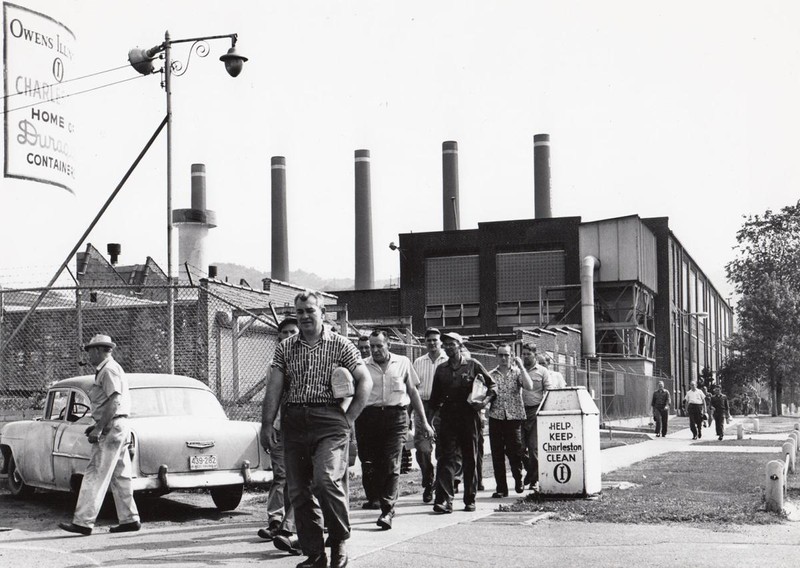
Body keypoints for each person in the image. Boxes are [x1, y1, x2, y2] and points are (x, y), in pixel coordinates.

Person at [261, 291, 373, 568]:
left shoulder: (341, 345)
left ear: (323, 312)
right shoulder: (285, 347)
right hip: (294, 422)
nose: (304, 316)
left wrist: (349, 418)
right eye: (300, 312)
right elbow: (274, 388)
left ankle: (338, 541)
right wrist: (266, 424)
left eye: (310, 311)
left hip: (330, 422)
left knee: (325, 480)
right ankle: (315, 554)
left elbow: (365, 381)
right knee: (298, 491)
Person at [58, 334, 141, 536]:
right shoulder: (110, 369)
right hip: (118, 425)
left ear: (97, 350)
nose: (89, 356)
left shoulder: (108, 370)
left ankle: (83, 522)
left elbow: (114, 402)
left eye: (90, 351)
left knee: (95, 473)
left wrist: (99, 428)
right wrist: (98, 424)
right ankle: (130, 519)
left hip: (112, 425)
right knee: (120, 475)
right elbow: (108, 403)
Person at [357, 330, 434, 530]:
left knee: (392, 462)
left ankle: (387, 509)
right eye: (372, 346)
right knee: (371, 463)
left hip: (396, 417)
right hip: (369, 418)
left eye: (378, 346)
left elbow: (413, 392)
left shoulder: (402, 362)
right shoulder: (362, 366)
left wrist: (423, 422)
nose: (374, 350)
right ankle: (379, 498)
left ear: (388, 345)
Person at [428, 332, 496, 513]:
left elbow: (493, 386)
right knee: (445, 459)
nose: (448, 347)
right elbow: (434, 399)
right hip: (448, 417)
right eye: (446, 345)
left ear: (460, 345)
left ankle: (470, 499)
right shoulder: (441, 369)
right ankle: (445, 501)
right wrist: (429, 423)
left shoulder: (473, 365)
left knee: (470, 459)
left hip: (469, 417)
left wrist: (484, 402)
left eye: (452, 344)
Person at [258, 317, 302, 556]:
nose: (287, 336)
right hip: (279, 427)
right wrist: (267, 426)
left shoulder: (307, 358)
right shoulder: (273, 363)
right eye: (283, 333)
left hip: (302, 426)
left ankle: (293, 526)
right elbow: (270, 397)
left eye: (292, 332)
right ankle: (277, 523)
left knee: (301, 479)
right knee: (281, 476)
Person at [487, 344, 533, 497]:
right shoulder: (491, 374)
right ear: (496, 356)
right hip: (496, 417)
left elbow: (529, 386)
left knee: (515, 452)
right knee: (497, 454)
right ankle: (501, 488)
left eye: (506, 355)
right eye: (501, 355)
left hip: (514, 417)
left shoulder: (518, 373)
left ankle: (518, 479)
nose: (504, 358)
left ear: (511, 356)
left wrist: (522, 367)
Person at [411, 327, 448, 504]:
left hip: (443, 408)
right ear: (424, 342)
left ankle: (441, 486)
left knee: (443, 449)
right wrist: (409, 414)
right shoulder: (418, 362)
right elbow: (412, 390)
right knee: (423, 449)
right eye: (429, 340)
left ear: (440, 342)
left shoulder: (448, 360)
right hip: (423, 408)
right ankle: (428, 480)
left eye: (435, 340)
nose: (432, 343)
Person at [520, 344, 555, 489]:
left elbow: (549, 391)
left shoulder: (543, 372)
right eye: (524, 354)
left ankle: (533, 479)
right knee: (519, 448)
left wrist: (543, 411)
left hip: (535, 412)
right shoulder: (518, 371)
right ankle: (531, 472)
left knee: (533, 447)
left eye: (528, 354)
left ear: (534, 355)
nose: (525, 356)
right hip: (519, 412)